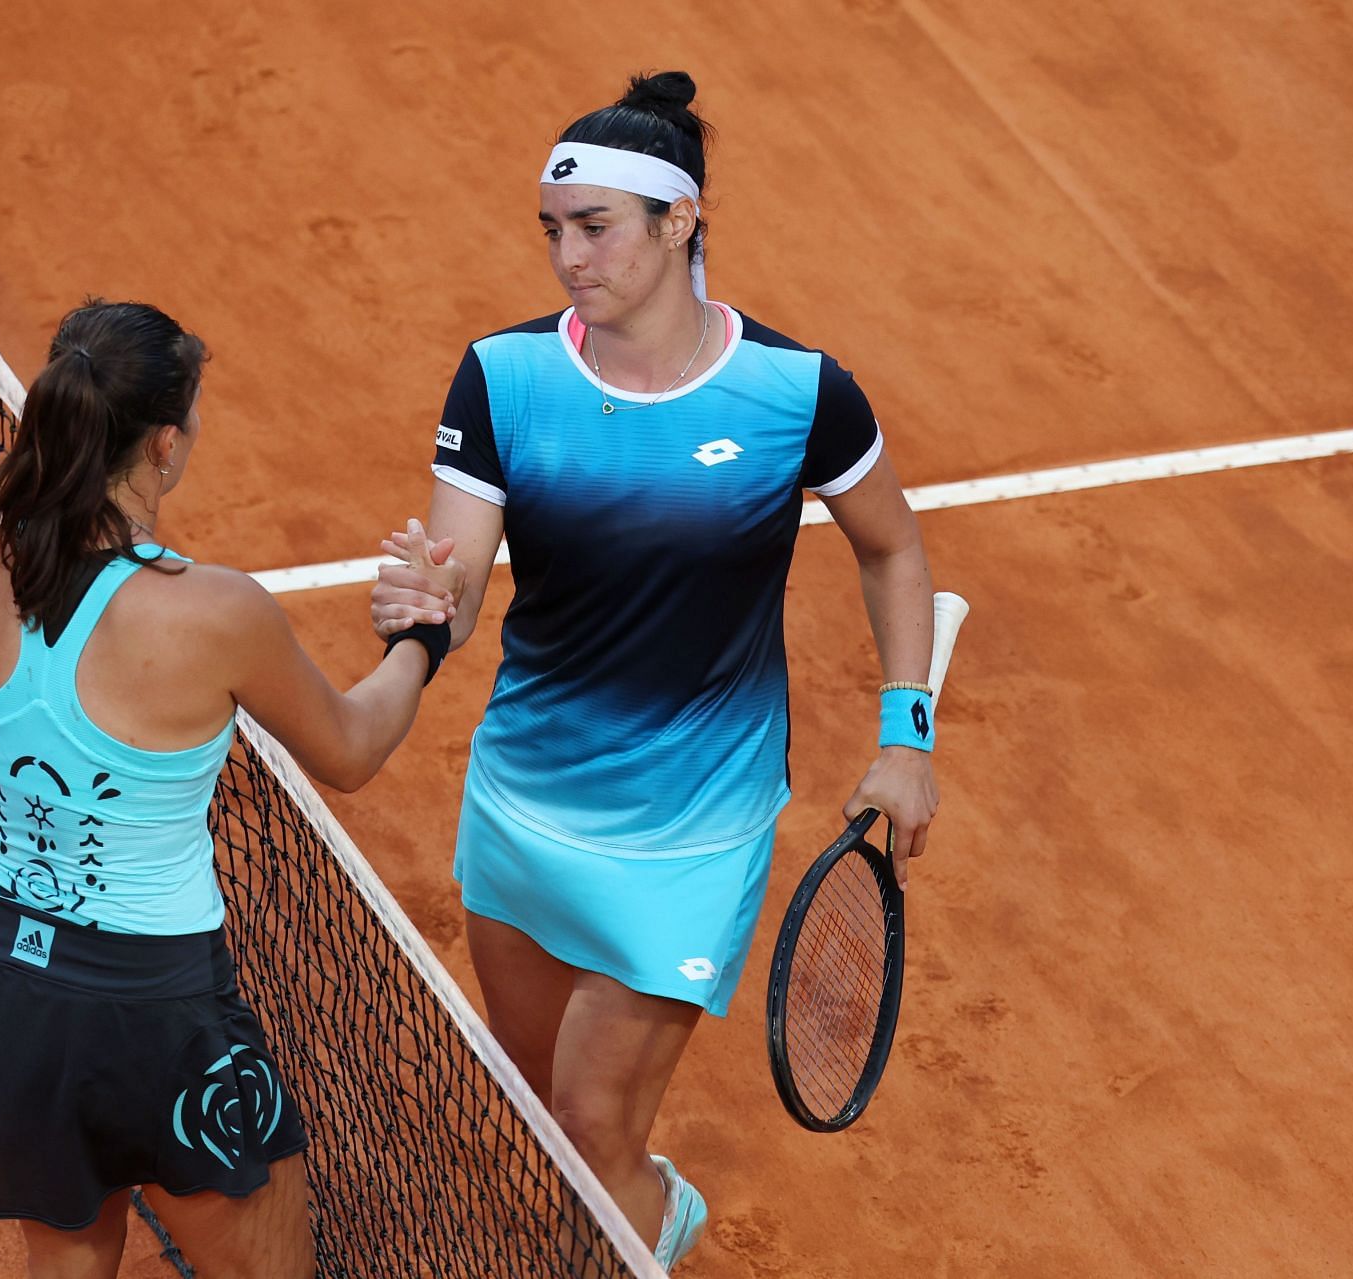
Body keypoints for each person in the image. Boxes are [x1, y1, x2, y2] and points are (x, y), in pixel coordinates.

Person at [371, 72, 939, 1271]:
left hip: (695, 828)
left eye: (596, 229)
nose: (569, 257)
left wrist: (908, 732)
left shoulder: (796, 394)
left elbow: (891, 545)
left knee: (591, 1124)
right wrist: (425, 603)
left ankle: (637, 1228)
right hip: (525, 804)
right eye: (555, 232)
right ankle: (656, 1201)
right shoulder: (506, 378)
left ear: (680, 222)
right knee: (546, 1110)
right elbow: (460, 580)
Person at [0, 298, 459, 1279]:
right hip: (158, 1020)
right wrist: (423, 638)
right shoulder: (212, 612)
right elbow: (349, 748)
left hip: (7, 992)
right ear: (165, 443)